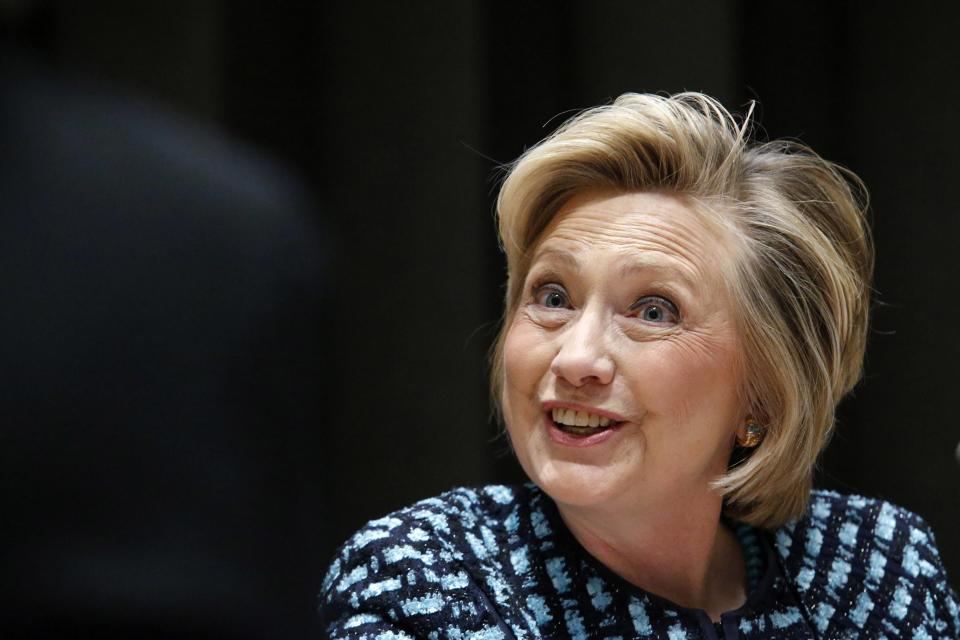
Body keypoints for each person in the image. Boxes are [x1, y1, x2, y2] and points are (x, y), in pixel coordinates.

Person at [318, 93, 959, 639]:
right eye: (551, 298)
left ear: (765, 392)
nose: (576, 357)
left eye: (653, 311)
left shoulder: (875, 565)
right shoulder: (427, 576)